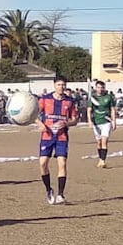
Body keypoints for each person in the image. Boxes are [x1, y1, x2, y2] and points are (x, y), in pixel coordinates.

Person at [38, 76, 79, 204]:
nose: (62, 87)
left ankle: (61, 195)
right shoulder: (45, 99)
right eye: (59, 85)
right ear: (54, 85)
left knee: (62, 163)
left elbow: (75, 119)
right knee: (43, 163)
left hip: (62, 137)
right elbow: (33, 114)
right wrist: (39, 124)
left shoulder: (70, 101)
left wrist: (67, 123)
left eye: (63, 85)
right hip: (47, 136)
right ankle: (48, 189)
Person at [87, 80, 116, 168]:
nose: (100, 89)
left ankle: (103, 161)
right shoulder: (92, 98)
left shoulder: (109, 97)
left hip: (106, 121)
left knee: (104, 141)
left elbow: (112, 109)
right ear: (95, 88)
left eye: (102, 87)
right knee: (98, 142)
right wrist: (89, 121)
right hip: (96, 121)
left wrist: (114, 121)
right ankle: (100, 159)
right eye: (98, 87)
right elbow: (89, 110)